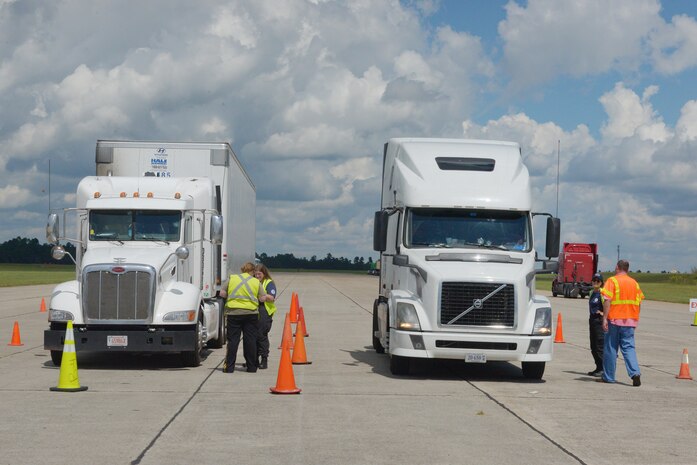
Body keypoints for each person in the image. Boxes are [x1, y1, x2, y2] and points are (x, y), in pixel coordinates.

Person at [599, 260, 645, 386]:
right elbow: (639, 303)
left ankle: (609, 377)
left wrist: (604, 318)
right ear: (627, 269)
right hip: (630, 321)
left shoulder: (612, 281)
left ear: (617, 267)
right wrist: (635, 319)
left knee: (611, 348)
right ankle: (635, 373)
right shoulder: (634, 283)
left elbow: (607, 301)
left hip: (614, 320)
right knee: (629, 348)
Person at [219, 262, 267, 373]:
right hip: (251, 314)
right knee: (250, 340)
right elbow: (262, 298)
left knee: (233, 341)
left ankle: (229, 367)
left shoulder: (232, 278)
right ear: (253, 271)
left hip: (233, 313)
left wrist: (231, 297)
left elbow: (222, 293)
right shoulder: (256, 281)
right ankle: (251, 367)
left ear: (242, 270)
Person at [254, 263, 277, 370]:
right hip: (254, 310)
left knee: (261, 335)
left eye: (259, 274)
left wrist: (263, 296)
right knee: (252, 336)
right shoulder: (253, 282)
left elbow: (271, 297)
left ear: (264, 273)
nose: (257, 276)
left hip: (264, 311)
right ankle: (253, 359)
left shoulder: (269, 283)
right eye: (256, 274)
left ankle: (264, 359)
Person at [587, 273, 605, 377]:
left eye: (598, 281)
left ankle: (603, 368)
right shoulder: (591, 293)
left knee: (599, 346)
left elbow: (608, 305)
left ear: (601, 283)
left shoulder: (602, 293)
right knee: (593, 346)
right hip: (592, 320)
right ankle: (598, 367)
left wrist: (603, 314)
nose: (595, 282)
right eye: (594, 280)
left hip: (599, 321)